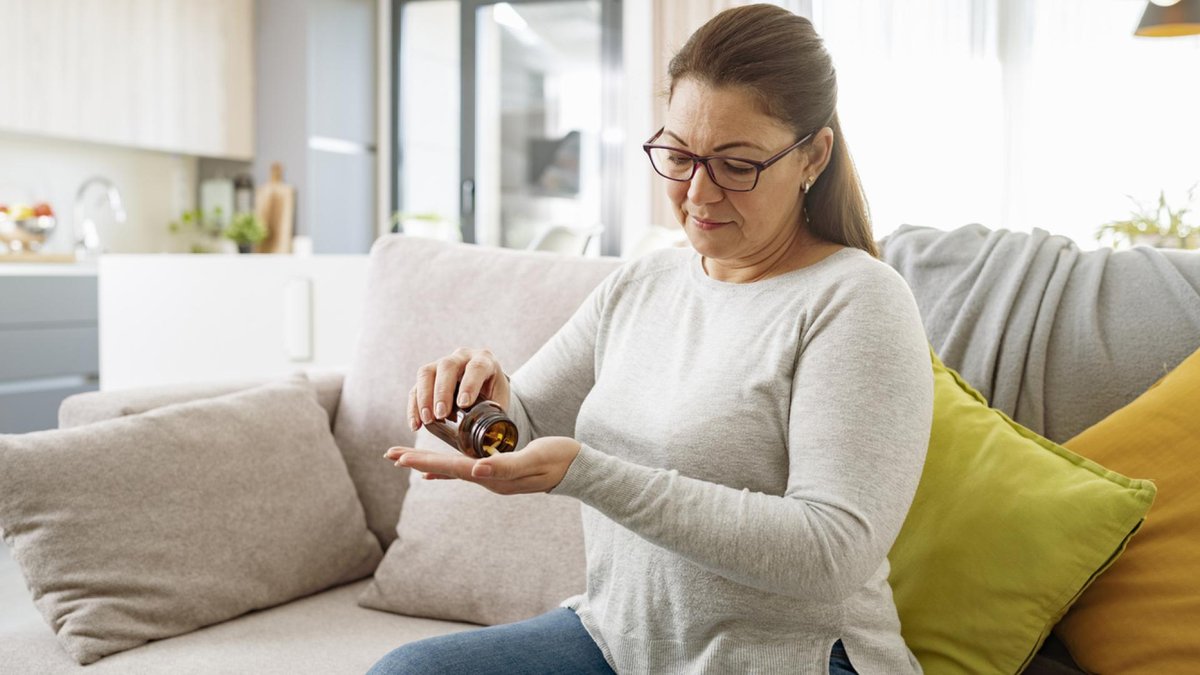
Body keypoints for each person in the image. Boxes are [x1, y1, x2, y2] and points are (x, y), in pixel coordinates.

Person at [369, 4, 933, 674]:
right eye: (678, 154)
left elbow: (831, 551)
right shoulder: (643, 284)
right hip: (621, 641)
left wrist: (591, 473)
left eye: (736, 164)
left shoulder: (857, 300)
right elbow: (518, 433)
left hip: (787, 655)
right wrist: (467, 403)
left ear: (812, 155)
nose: (698, 191)